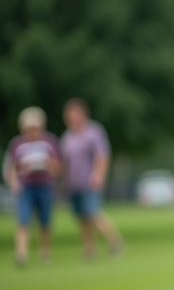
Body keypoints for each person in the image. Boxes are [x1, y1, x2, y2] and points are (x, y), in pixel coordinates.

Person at [61, 98, 124, 259]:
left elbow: (102, 155)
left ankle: (115, 241)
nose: (71, 117)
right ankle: (89, 248)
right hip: (73, 183)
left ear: (83, 113)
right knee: (81, 217)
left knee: (93, 213)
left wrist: (98, 175)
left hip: (89, 181)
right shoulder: (67, 136)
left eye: (74, 113)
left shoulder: (94, 132)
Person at [3, 106, 62, 266]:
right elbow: (11, 167)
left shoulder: (49, 142)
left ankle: (45, 253)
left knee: (45, 221)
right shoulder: (17, 144)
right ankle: (21, 254)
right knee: (23, 220)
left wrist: (47, 164)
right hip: (25, 187)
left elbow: (58, 166)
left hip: (44, 186)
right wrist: (14, 183)